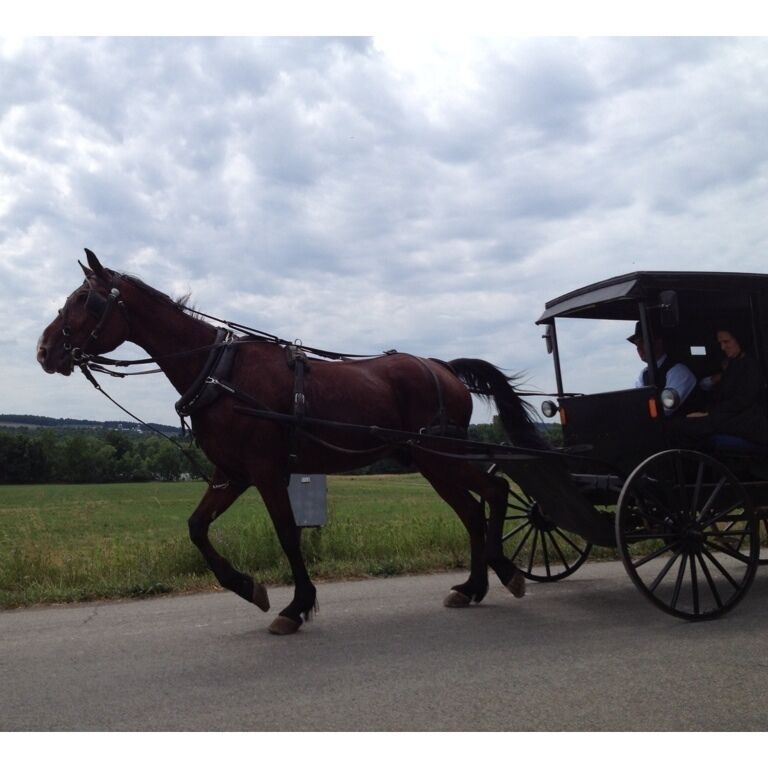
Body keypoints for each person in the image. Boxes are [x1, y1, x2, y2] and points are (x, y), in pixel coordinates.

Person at [683, 328, 768, 447]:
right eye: (720, 343)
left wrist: (710, 414)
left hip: (748, 421)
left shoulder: (751, 366)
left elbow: (743, 401)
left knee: (688, 427)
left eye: (726, 342)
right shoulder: (733, 364)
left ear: (739, 340)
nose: (723, 347)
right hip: (730, 416)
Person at [628, 320, 696, 415]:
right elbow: (638, 401)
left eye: (642, 341)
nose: (638, 348)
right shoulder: (644, 374)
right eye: (636, 344)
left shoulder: (679, 371)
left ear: (658, 342)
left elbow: (666, 407)